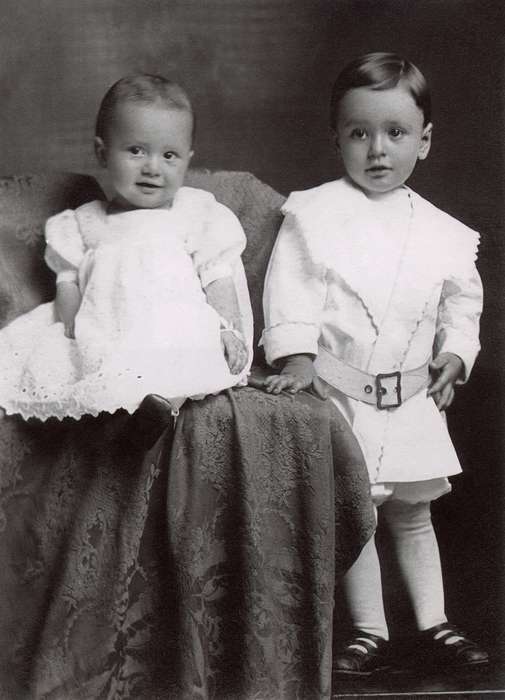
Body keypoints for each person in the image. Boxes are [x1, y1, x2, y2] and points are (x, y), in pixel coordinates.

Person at [261, 52, 489, 673]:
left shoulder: (442, 231)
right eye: (359, 133)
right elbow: (291, 290)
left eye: (396, 133)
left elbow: (462, 303)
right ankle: (370, 630)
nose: (378, 150)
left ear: (425, 141)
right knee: (357, 512)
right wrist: (298, 355)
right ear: (336, 137)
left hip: (411, 395)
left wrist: (454, 356)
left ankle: (435, 621)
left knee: (414, 514)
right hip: (342, 391)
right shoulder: (315, 214)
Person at [0, 74, 253, 423]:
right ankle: (119, 422)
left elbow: (217, 278)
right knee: (76, 370)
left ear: (187, 160)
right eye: (136, 150)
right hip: (104, 327)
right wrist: (72, 325)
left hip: (175, 326)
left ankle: (160, 413)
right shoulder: (84, 222)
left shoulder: (195, 214)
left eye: (169, 156)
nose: (152, 167)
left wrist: (229, 329)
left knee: (184, 360)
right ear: (102, 153)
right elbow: (68, 280)